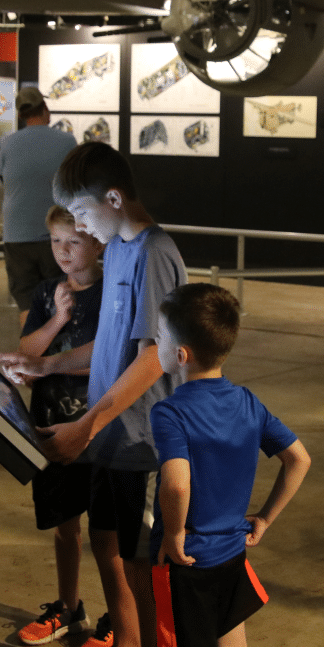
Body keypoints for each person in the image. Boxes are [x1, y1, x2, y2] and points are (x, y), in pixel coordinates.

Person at [1, 142, 187, 647]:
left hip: (142, 444)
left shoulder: (155, 254)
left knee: (144, 567)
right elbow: (108, 346)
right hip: (111, 442)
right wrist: (43, 364)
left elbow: (154, 358)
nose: (79, 227)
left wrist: (87, 425)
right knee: (111, 549)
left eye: (83, 212)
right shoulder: (123, 251)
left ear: (112, 198)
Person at [150, 283, 311, 647]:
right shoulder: (248, 402)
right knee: (231, 635)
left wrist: (174, 535)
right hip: (232, 554)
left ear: (180, 354)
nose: (154, 342)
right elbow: (299, 459)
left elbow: (176, 484)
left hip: (188, 561)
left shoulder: (170, 412)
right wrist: (265, 518)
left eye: (159, 336)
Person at [16, 205, 106, 646]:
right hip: (51, 426)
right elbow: (28, 354)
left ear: (98, 242)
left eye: (74, 241)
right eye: (56, 242)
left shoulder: (114, 292)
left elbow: (113, 361)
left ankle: (121, 617)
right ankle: (70, 608)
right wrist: (57, 318)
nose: (63, 252)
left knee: (112, 530)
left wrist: (51, 362)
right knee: (65, 525)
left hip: (100, 427)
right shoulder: (47, 291)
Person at [0, 86, 77, 328]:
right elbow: (76, 182)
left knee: (26, 302)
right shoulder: (67, 141)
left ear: (21, 116)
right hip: (56, 236)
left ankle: (30, 352)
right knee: (60, 298)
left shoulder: (6, 144)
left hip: (17, 237)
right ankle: (57, 356)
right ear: (46, 109)